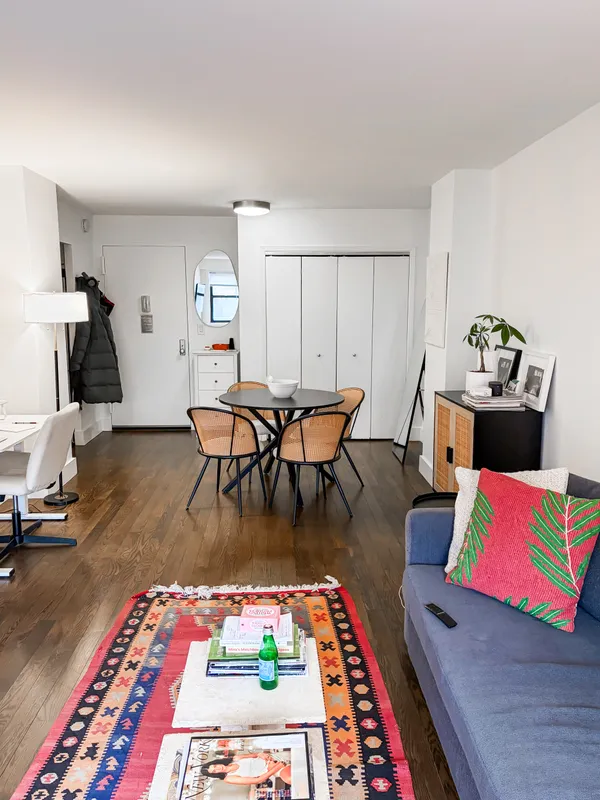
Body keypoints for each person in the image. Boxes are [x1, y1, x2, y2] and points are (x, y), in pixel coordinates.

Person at [200, 752, 292, 786]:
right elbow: (258, 780)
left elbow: (256, 755)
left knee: (297, 753)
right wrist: (277, 767)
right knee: (290, 778)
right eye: (215, 771)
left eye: (215, 766)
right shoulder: (229, 778)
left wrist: (261, 754)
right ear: (215, 774)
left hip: (274, 757)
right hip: (276, 769)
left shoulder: (234, 759)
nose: (218, 768)